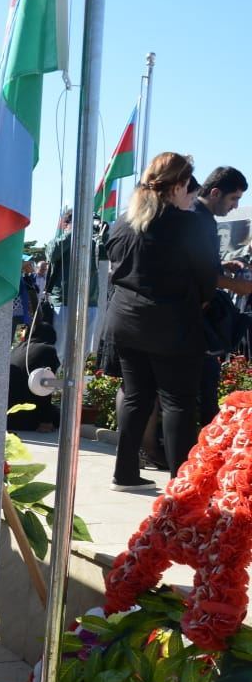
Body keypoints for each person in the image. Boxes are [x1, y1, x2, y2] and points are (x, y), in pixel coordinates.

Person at [100, 152, 213, 491]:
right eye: (188, 186)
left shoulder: (123, 223)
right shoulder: (188, 224)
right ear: (178, 185)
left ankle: (124, 474)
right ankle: (180, 487)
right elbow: (207, 279)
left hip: (125, 321)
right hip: (171, 325)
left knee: (136, 397)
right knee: (179, 401)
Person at [192, 166, 252, 427]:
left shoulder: (202, 218)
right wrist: (238, 286)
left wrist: (223, 266)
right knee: (198, 389)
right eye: (233, 199)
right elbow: (197, 271)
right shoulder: (197, 219)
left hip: (194, 317)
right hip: (191, 319)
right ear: (215, 193)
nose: (235, 206)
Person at [45, 209, 100, 361]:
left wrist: (104, 233)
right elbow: (52, 254)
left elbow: (109, 252)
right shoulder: (58, 241)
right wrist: (74, 232)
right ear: (66, 225)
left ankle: (76, 376)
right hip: (63, 301)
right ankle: (55, 375)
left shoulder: (94, 243)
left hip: (89, 302)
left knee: (83, 352)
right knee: (59, 350)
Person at [7, 320, 60, 432]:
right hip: (25, 419)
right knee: (62, 415)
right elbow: (45, 386)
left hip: (7, 416)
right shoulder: (48, 350)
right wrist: (46, 420)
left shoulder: (16, 349)